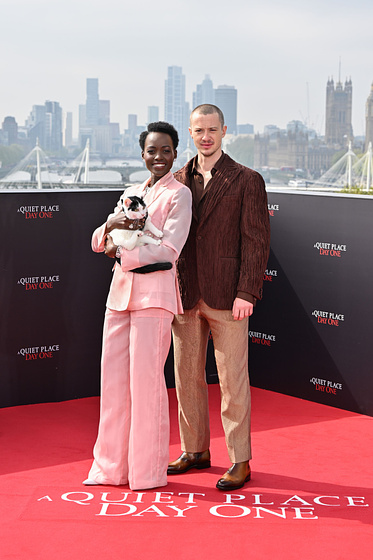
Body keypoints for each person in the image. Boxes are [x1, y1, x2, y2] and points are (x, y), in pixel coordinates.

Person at [84, 122, 192, 491]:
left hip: (155, 299)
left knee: (145, 385)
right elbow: (101, 239)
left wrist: (121, 250)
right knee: (113, 384)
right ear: (142, 154)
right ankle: (110, 469)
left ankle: (146, 474)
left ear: (176, 152)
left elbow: (169, 251)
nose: (158, 157)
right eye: (151, 151)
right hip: (119, 297)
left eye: (165, 150)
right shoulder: (132, 191)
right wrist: (110, 229)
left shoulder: (180, 195)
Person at [168, 104, 270, 490]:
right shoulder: (176, 179)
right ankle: (195, 451)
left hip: (229, 298)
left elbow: (257, 242)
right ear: (190, 133)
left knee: (232, 382)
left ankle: (239, 460)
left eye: (212, 129)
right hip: (186, 294)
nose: (206, 136)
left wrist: (247, 291)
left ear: (225, 131)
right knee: (186, 378)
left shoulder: (247, 180)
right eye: (199, 130)